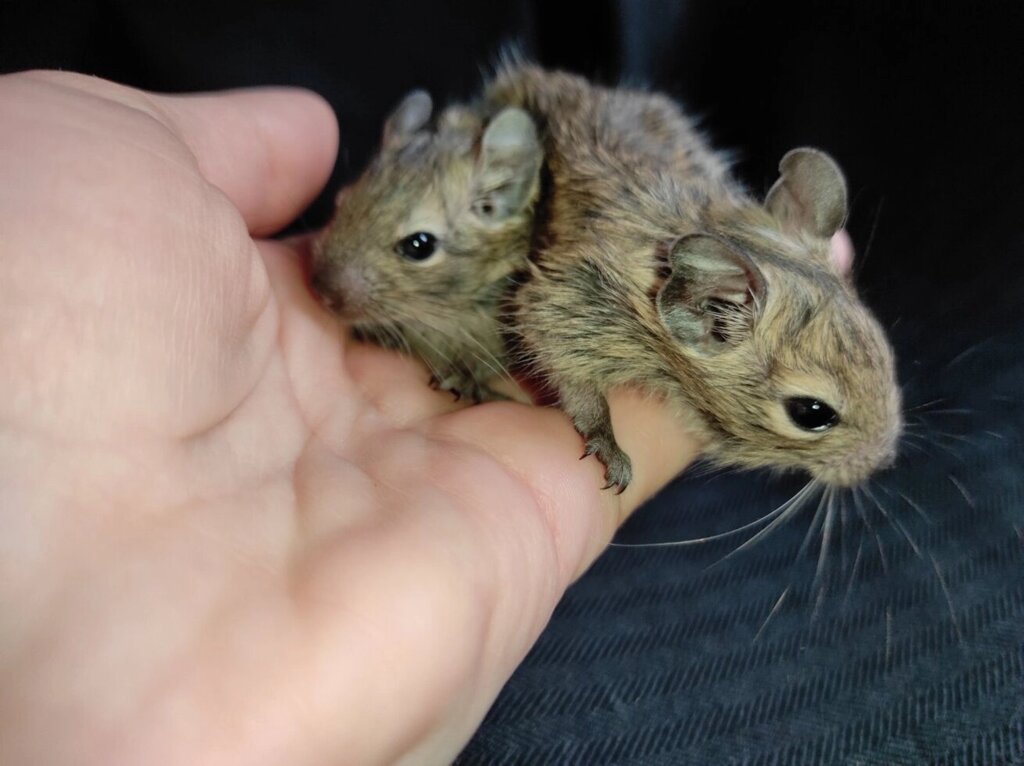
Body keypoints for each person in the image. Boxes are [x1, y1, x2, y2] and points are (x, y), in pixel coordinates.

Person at [0, 69, 705, 764]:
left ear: (501, 198)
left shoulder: (538, 268)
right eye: (344, 217)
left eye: (415, 247)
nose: (333, 277)